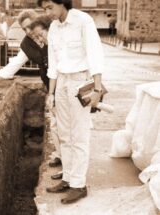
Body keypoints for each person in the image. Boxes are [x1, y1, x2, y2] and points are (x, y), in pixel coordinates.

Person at [38, 0, 104, 204]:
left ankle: (79, 184)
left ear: (62, 3)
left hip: (79, 81)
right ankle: (67, 177)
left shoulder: (83, 21)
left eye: (49, 7)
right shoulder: (53, 29)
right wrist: (51, 93)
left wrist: (97, 88)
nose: (47, 12)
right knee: (64, 134)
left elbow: (95, 55)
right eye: (44, 9)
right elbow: (53, 64)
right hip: (61, 84)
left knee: (79, 134)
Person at [0, 11, 63, 174]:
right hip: (51, 85)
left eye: (30, 27)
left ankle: (69, 164)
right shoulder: (27, 45)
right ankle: (60, 156)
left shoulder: (55, 32)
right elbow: (13, 65)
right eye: (24, 29)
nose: (28, 31)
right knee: (55, 124)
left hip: (65, 81)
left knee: (66, 126)